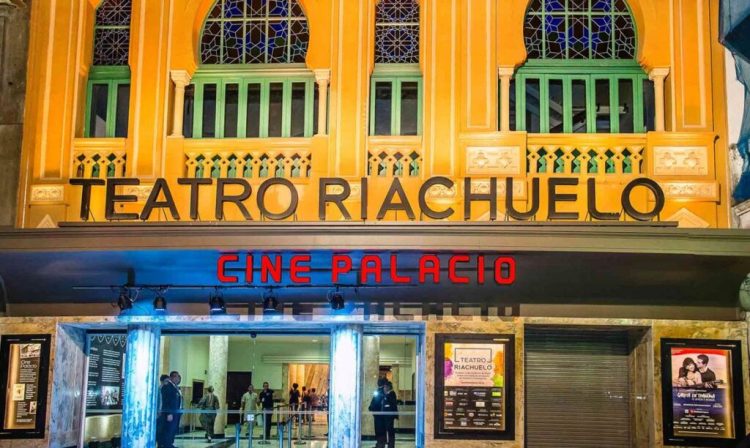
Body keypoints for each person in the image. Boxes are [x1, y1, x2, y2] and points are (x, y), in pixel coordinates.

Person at [159, 371, 183, 448]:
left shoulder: (175, 387)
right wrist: (169, 413)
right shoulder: (168, 386)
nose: (178, 379)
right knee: (169, 429)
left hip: (176, 412)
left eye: (178, 377)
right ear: (172, 377)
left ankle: (170, 443)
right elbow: (166, 400)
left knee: (173, 429)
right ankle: (167, 445)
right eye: (176, 377)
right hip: (170, 413)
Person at [368, 378, 387, 448]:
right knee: (381, 429)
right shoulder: (383, 391)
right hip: (380, 414)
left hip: (378, 415)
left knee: (379, 429)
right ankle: (381, 444)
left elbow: (375, 402)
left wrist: (371, 407)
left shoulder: (379, 391)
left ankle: (380, 445)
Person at [382, 381, 399, 448]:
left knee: (390, 430)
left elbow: (391, 405)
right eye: (384, 387)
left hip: (389, 416)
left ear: (389, 387)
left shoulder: (391, 394)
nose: (384, 388)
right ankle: (388, 443)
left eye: (385, 387)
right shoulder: (386, 394)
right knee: (388, 430)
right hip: (386, 415)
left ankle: (391, 445)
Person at [156, 374, 169, 447]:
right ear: (162, 381)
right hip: (158, 414)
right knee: (159, 430)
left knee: (163, 429)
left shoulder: (166, 391)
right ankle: (159, 444)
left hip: (164, 413)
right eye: (166, 381)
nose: (167, 383)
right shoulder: (158, 390)